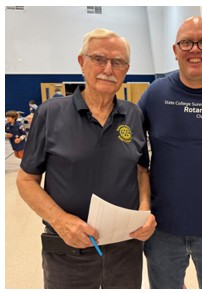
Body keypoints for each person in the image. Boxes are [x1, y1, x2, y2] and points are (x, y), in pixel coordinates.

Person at [16, 28, 156, 289]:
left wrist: (144, 211)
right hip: (69, 250)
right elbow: (26, 180)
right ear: (82, 62)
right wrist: (60, 221)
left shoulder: (133, 114)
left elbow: (141, 170)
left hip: (125, 250)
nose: (108, 68)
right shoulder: (51, 113)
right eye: (99, 59)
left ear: (126, 69)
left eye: (118, 62)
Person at [137, 16, 202, 289]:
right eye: (186, 43)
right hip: (162, 228)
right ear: (175, 50)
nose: (195, 49)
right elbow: (128, 152)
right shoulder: (154, 95)